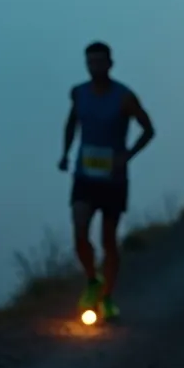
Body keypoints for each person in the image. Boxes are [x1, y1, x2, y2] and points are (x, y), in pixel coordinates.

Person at [58, 41, 155, 322]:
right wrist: (65, 153)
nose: (95, 67)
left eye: (100, 61)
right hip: (84, 176)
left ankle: (108, 297)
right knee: (79, 232)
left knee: (108, 240)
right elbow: (72, 123)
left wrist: (128, 155)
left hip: (113, 180)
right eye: (91, 62)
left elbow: (149, 129)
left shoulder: (124, 96)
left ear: (110, 63)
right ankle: (92, 280)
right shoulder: (78, 93)